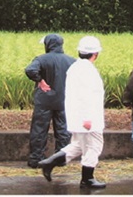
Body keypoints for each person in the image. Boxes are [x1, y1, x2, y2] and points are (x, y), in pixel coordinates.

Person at [39, 35, 107, 189]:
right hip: (87, 118)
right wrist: (88, 118)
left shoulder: (75, 67)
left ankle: (49, 163)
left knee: (77, 145)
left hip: (78, 116)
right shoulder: (87, 70)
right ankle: (87, 179)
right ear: (95, 54)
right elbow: (86, 95)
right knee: (94, 146)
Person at [24, 34, 76, 168]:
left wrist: (40, 80)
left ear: (47, 45)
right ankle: (61, 159)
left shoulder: (41, 59)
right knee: (63, 130)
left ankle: (36, 159)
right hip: (64, 100)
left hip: (44, 100)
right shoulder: (71, 61)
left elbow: (30, 70)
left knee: (39, 129)